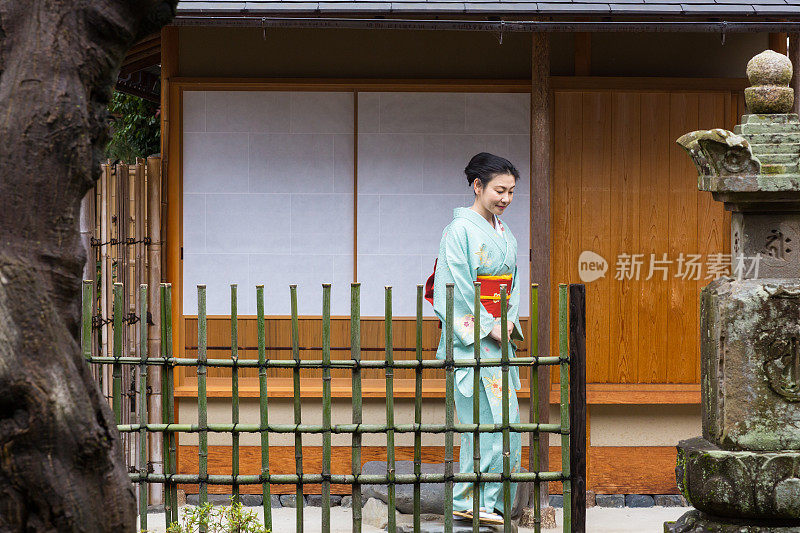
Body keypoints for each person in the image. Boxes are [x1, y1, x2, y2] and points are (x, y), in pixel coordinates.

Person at [431, 152, 523, 525]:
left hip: (499, 336)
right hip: (473, 340)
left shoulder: (505, 233)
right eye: (500, 190)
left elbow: (512, 289)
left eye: (512, 192)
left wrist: (508, 323)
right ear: (477, 186)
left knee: (506, 421)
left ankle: (490, 502)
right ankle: (470, 499)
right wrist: (488, 326)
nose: (506, 198)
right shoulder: (459, 231)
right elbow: (451, 288)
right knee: (479, 421)